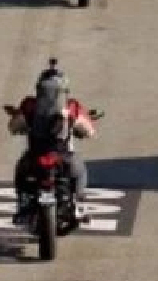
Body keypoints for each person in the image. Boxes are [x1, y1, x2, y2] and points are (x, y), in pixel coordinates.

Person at [7, 60, 98, 205]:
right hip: (64, 157)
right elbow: (90, 131)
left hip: (35, 155)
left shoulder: (29, 105)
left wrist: (22, 126)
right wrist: (80, 130)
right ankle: (78, 204)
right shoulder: (72, 107)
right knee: (80, 172)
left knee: (21, 170)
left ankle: (22, 202)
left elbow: (13, 127)